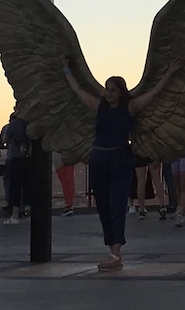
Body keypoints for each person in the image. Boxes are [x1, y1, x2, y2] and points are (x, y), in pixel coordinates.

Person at [61, 55, 177, 271]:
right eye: (107, 89)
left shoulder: (130, 107)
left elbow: (153, 93)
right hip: (99, 158)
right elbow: (78, 91)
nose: (108, 93)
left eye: (113, 90)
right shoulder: (100, 107)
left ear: (121, 92)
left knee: (117, 203)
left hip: (120, 158)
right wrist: (67, 70)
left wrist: (169, 73)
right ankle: (111, 249)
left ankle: (116, 252)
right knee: (103, 205)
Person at [0, 111, 31, 224]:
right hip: (28, 157)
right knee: (27, 185)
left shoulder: (12, 125)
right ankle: (27, 210)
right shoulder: (29, 123)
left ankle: (15, 214)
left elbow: (4, 140)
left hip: (15, 157)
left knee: (14, 186)